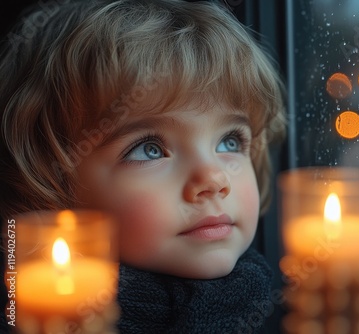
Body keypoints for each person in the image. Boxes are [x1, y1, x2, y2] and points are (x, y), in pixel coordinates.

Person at [0, 0, 286, 332]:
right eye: (149, 150)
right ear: (49, 182)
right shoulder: (36, 319)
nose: (214, 179)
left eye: (230, 142)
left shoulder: (280, 307)